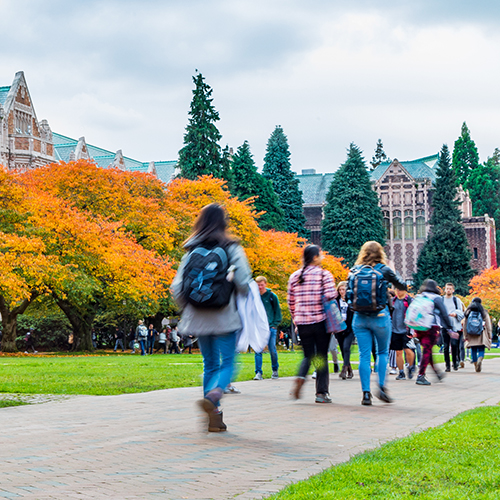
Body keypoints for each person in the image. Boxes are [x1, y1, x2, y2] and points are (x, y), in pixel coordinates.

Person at [172, 203, 251, 432]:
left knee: (209, 364)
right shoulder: (231, 247)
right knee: (228, 362)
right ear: (223, 222)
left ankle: (213, 417)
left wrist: (189, 306)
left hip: (198, 316)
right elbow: (244, 282)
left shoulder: (191, 250)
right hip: (224, 314)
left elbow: (176, 286)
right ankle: (215, 395)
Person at [348, 241, 407, 406]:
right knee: (382, 353)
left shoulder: (354, 270)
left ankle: (366, 393)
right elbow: (402, 285)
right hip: (380, 316)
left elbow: (348, 294)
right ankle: (381, 386)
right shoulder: (384, 270)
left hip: (359, 318)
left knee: (364, 355)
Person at [288, 245, 337, 404]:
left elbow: (291, 302)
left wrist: (296, 319)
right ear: (315, 257)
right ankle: (321, 393)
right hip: (321, 321)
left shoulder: (294, 276)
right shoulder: (324, 275)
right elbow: (331, 296)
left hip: (302, 322)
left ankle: (301, 377)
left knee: (308, 355)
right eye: (321, 255)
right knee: (321, 356)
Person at [413, 279, 455, 385]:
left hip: (419, 327)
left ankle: (437, 372)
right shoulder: (436, 298)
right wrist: (450, 328)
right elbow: (444, 314)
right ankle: (420, 375)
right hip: (431, 327)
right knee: (427, 350)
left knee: (427, 350)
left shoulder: (419, 296)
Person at [253, 276, 282, 380]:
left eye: (261, 285)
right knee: (258, 350)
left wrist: (274, 324)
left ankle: (275, 370)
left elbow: (277, 311)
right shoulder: (254, 297)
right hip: (258, 327)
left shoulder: (271, 296)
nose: (260, 287)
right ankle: (258, 372)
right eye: (258, 285)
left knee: (272, 349)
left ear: (265, 284)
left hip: (270, 327)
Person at [463, 297, 492, 372]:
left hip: (471, 334)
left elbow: (465, 325)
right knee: (481, 348)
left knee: (473, 349)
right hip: (481, 333)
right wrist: (489, 335)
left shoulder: (468, 312)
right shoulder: (483, 312)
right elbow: (488, 325)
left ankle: (476, 364)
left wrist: (465, 335)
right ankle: (480, 358)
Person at [442, 283, 465, 372]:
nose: (448, 290)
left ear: (453, 290)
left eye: (450, 289)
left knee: (454, 345)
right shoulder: (441, 300)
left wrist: (455, 314)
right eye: (447, 288)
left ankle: (455, 363)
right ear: (444, 290)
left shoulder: (456, 300)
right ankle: (447, 365)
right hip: (444, 326)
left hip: (454, 326)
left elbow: (461, 312)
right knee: (446, 346)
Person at [334, 281, 354, 379]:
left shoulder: (351, 300)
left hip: (349, 327)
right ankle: (350, 369)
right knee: (343, 349)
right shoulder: (336, 300)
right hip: (339, 327)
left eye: (344, 289)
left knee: (346, 347)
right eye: (340, 290)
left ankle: (344, 369)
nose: (342, 292)